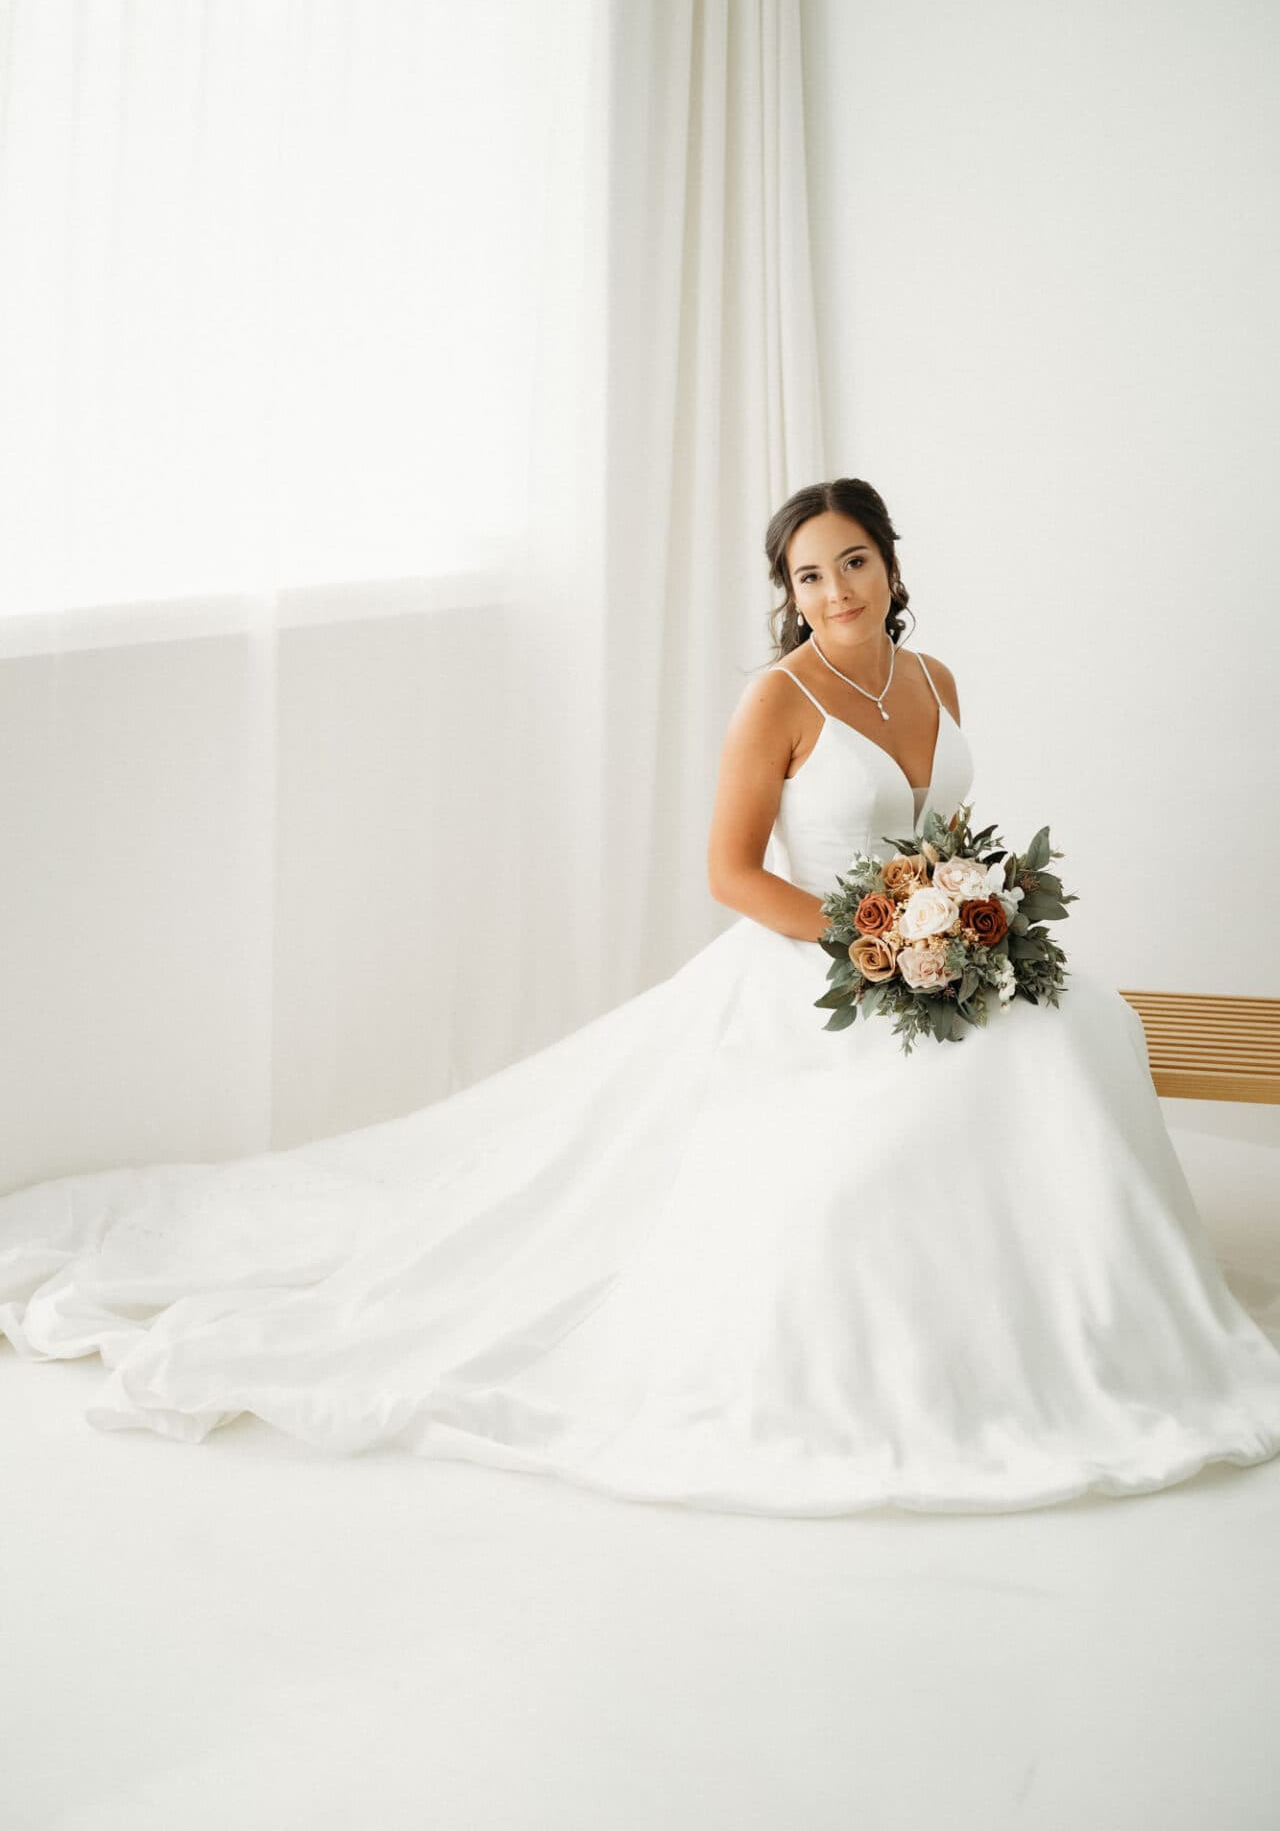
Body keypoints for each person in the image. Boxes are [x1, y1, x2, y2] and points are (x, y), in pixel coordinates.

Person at [4, 477, 1280, 1518]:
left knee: (1077, 1037)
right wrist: (874, 950)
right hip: (819, 964)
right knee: (897, 1125)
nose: (833, 590)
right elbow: (729, 872)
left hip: (945, 951)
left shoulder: (935, 679)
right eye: (806, 574)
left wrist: (966, 919)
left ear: (891, 563)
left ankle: (1080, 1328)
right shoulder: (772, 703)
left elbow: (946, 825)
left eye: (852, 562)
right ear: (783, 596)